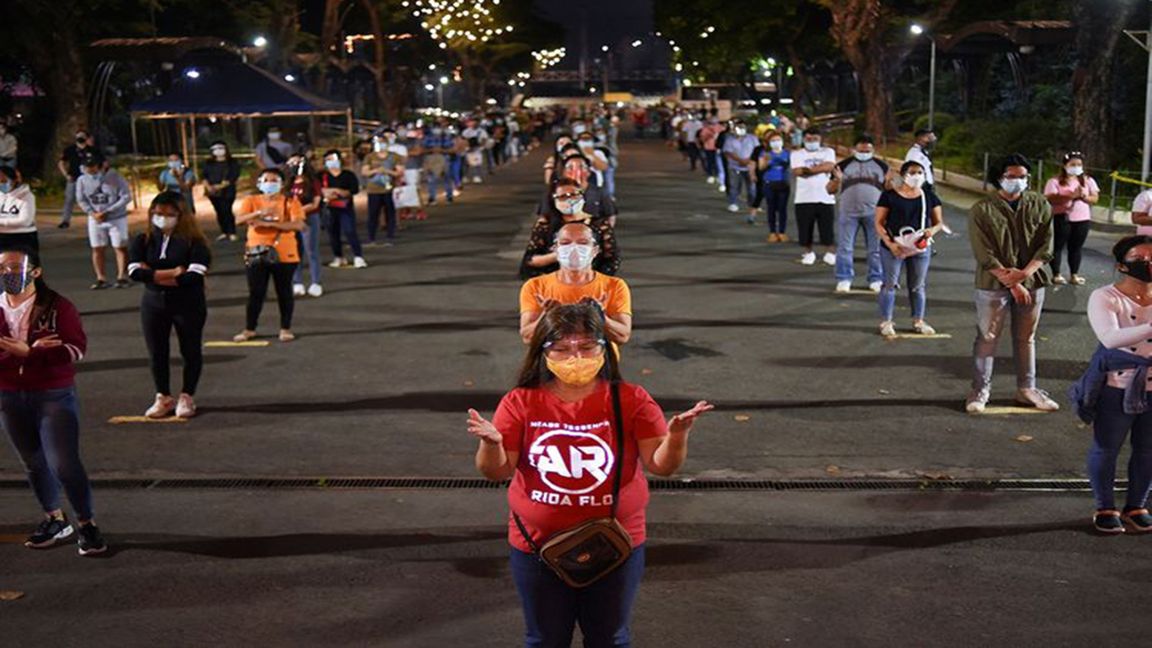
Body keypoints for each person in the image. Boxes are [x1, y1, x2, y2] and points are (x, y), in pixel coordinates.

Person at [467, 302, 712, 647]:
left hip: (616, 544)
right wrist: (491, 444)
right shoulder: (520, 402)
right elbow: (496, 471)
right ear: (543, 352)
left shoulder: (631, 400)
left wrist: (677, 436)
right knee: (544, 639)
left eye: (586, 346)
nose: (575, 357)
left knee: (609, 638)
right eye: (561, 348)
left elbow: (662, 466)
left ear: (604, 348)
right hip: (535, 546)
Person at [0, 245, 106, 555]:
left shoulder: (58, 307)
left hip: (52, 394)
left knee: (63, 463)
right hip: (8, 395)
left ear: (35, 272)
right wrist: (25, 352)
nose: (7, 273)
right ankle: (55, 519)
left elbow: (73, 351)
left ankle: (87, 524)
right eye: (2, 268)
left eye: (14, 268)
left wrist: (29, 353)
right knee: (33, 463)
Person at [966, 153, 1059, 414]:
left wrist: (1025, 274)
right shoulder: (981, 209)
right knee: (987, 336)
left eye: (1022, 177)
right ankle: (980, 389)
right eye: (1011, 176)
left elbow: (1046, 244)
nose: (1017, 181)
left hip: (1033, 280)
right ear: (999, 178)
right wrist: (1013, 281)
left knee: (1026, 337)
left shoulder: (1040, 204)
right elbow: (983, 252)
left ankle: (1027, 389)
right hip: (992, 283)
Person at [1077, 235, 1152, 533]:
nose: (1148, 265)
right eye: (1141, 260)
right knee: (1106, 447)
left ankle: (1137, 504)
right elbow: (1110, 338)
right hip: (1117, 385)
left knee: (1148, 450)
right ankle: (1104, 506)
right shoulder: (1105, 297)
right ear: (1123, 266)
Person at [128, 191, 211, 419]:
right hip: (153, 303)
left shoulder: (195, 242)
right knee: (157, 352)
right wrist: (172, 272)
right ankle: (163, 396)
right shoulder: (142, 239)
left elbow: (193, 276)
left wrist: (152, 273)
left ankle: (187, 395)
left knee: (190, 349)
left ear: (181, 215)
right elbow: (134, 272)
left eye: (169, 214)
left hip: (188, 303)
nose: (162, 218)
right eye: (157, 213)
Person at [519, 222, 631, 344]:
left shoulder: (614, 286)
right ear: (555, 249)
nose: (574, 249)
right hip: (552, 361)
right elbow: (527, 338)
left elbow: (622, 337)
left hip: (598, 361)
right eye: (565, 243)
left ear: (595, 250)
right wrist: (547, 317)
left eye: (583, 243)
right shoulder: (535, 287)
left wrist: (600, 317)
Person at [874, 161, 945, 338]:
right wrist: (890, 244)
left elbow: (939, 223)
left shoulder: (929, 196)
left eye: (920, 172)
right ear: (903, 175)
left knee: (918, 286)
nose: (917, 176)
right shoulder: (889, 196)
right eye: (912, 172)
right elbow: (879, 222)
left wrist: (931, 231)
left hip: (920, 247)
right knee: (889, 285)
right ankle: (886, 321)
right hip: (894, 246)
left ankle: (918, 320)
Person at [234, 169, 305, 343]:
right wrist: (257, 214)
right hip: (256, 251)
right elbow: (239, 220)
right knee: (256, 292)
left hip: (284, 252)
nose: (270, 184)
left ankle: (285, 328)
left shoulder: (290, 202)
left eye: (274, 181)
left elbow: (298, 225)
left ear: (281, 184)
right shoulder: (251, 201)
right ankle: (249, 328)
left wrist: (266, 224)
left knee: (284, 291)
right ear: (259, 183)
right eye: (266, 180)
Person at [521, 178, 620, 279]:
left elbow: (612, 260)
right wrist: (558, 255)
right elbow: (529, 261)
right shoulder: (546, 225)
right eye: (562, 197)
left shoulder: (599, 224)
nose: (569, 200)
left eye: (574, 195)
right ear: (554, 200)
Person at [828, 136, 889, 293]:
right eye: (861, 150)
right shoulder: (842, 166)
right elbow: (830, 189)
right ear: (854, 149)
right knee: (845, 248)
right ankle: (844, 278)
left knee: (875, 249)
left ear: (873, 150)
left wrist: (891, 182)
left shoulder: (882, 166)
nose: (864, 153)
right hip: (848, 213)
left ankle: (876, 278)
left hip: (874, 213)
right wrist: (838, 180)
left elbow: (889, 189)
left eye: (867, 151)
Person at [75, 152, 133, 290]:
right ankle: (101, 277)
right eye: (87, 166)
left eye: (93, 166)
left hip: (116, 217)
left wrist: (108, 211)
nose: (90, 169)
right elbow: (81, 198)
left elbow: (125, 197)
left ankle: (122, 276)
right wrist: (92, 213)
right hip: (95, 218)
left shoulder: (115, 177)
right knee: (97, 248)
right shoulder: (82, 180)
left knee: (120, 246)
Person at [1044, 152, 1100, 285]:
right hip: (1062, 217)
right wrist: (1070, 196)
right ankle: (1056, 274)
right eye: (1073, 164)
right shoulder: (1054, 181)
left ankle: (1074, 274)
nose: (1076, 167)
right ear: (1065, 166)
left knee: (1076, 247)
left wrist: (1084, 197)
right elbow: (1049, 198)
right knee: (1057, 246)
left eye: (1079, 164)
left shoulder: (1088, 181)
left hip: (1082, 219)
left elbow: (1095, 198)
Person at [790, 130, 837, 266]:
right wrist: (820, 168)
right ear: (804, 139)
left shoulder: (828, 151)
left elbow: (830, 166)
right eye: (808, 139)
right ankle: (808, 253)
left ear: (820, 138)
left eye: (815, 138)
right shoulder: (797, 154)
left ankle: (830, 253)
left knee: (827, 228)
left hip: (825, 196)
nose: (812, 141)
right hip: (804, 197)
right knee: (805, 228)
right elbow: (797, 171)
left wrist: (808, 170)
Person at [320, 149, 366, 269]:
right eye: (328, 160)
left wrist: (340, 192)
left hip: (345, 207)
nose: (331, 162)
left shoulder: (348, 175)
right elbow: (319, 190)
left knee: (349, 230)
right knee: (333, 233)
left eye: (333, 159)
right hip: (329, 208)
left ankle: (358, 256)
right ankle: (338, 257)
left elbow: (354, 190)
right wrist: (331, 192)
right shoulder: (322, 176)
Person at [286, 154, 324, 298]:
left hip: (309, 219)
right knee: (294, 252)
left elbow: (315, 203)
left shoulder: (312, 182)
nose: (294, 165)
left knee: (311, 251)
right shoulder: (288, 183)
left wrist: (298, 211)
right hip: (291, 221)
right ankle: (297, 282)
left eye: (297, 162)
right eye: (291, 162)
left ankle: (316, 282)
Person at [361, 130, 405, 247]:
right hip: (373, 190)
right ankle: (371, 238)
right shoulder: (370, 157)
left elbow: (399, 172)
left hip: (389, 189)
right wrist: (375, 170)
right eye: (378, 142)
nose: (380, 145)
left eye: (382, 142)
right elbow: (364, 172)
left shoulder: (394, 157)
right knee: (373, 214)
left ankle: (390, 237)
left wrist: (388, 171)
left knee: (390, 213)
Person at [750, 131, 791, 242]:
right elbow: (761, 168)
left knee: (782, 209)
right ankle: (772, 232)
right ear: (769, 142)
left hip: (783, 183)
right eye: (773, 141)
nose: (776, 142)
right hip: (769, 183)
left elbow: (791, 166)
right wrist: (767, 162)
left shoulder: (787, 153)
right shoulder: (765, 153)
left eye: (778, 140)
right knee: (771, 208)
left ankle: (782, 232)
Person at [202, 141, 240, 242]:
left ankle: (232, 232)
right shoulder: (208, 163)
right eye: (215, 149)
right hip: (212, 192)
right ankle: (224, 232)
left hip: (228, 191)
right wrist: (209, 187)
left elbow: (233, 177)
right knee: (219, 211)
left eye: (221, 148)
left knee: (227, 210)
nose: (218, 151)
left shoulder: (232, 162)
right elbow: (204, 176)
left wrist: (219, 186)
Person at [57, 129, 94, 229]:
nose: (80, 138)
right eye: (78, 136)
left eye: (82, 136)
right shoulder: (70, 150)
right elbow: (61, 163)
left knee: (91, 199)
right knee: (69, 199)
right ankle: (65, 220)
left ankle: (94, 218)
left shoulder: (91, 150)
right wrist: (66, 175)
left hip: (88, 178)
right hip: (73, 177)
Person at [722, 120, 759, 215]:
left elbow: (757, 151)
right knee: (734, 186)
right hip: (735, 167)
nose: (741, 129)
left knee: (752, 188)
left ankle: (752, 205)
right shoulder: (729, 139)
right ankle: (733, 203)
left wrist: (749, 161)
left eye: (743, 127)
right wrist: (740, 160)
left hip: (750, 167)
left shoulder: (752, 138)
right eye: (739, 128)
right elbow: (728, 152)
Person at [0, 166, 38, 251]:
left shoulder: (27, 196)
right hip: (2, 235)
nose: (1, 184)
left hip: (22, 237)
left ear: (14, 180)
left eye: (4, 181)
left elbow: (25, 221)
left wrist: (2, 222)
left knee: (24, 263)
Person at [905, 128, 937, 195]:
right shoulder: (914, 154)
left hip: (928, 187)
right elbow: (913, 173)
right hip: (921, 188)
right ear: (920, 138)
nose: (931, 140)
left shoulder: (924, 152)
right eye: (928, 138)